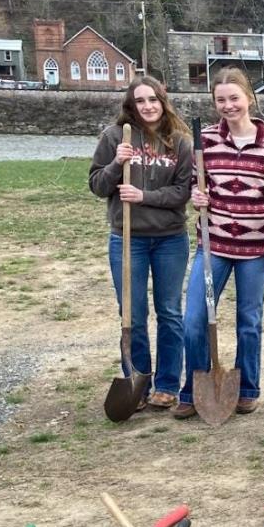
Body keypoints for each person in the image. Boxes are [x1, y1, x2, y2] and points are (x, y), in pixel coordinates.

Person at [174, 68, 264, 420]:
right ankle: (194, 389)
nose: (228, 106)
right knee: (194, 319)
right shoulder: (204, 141)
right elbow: (196, 185)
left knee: (248, 320)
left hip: (256, 248)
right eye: (220, 100)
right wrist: (198, 196)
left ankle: (247, 388)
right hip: (214, 245)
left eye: (234, 98)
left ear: (249, 97)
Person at [88, 76, 192, 410]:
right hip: (127, 239)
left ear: (163, 101)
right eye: (141, 101)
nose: (148, 106)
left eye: (154, 99)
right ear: (131, 105)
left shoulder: (180, 142)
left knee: (170, 313)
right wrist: (117, 163)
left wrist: (142, 195)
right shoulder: (115, 137)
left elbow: (182, 193)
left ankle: (166, 384)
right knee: (131, 313)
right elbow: (97, 186)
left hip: (169, 240)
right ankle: (137, 380)